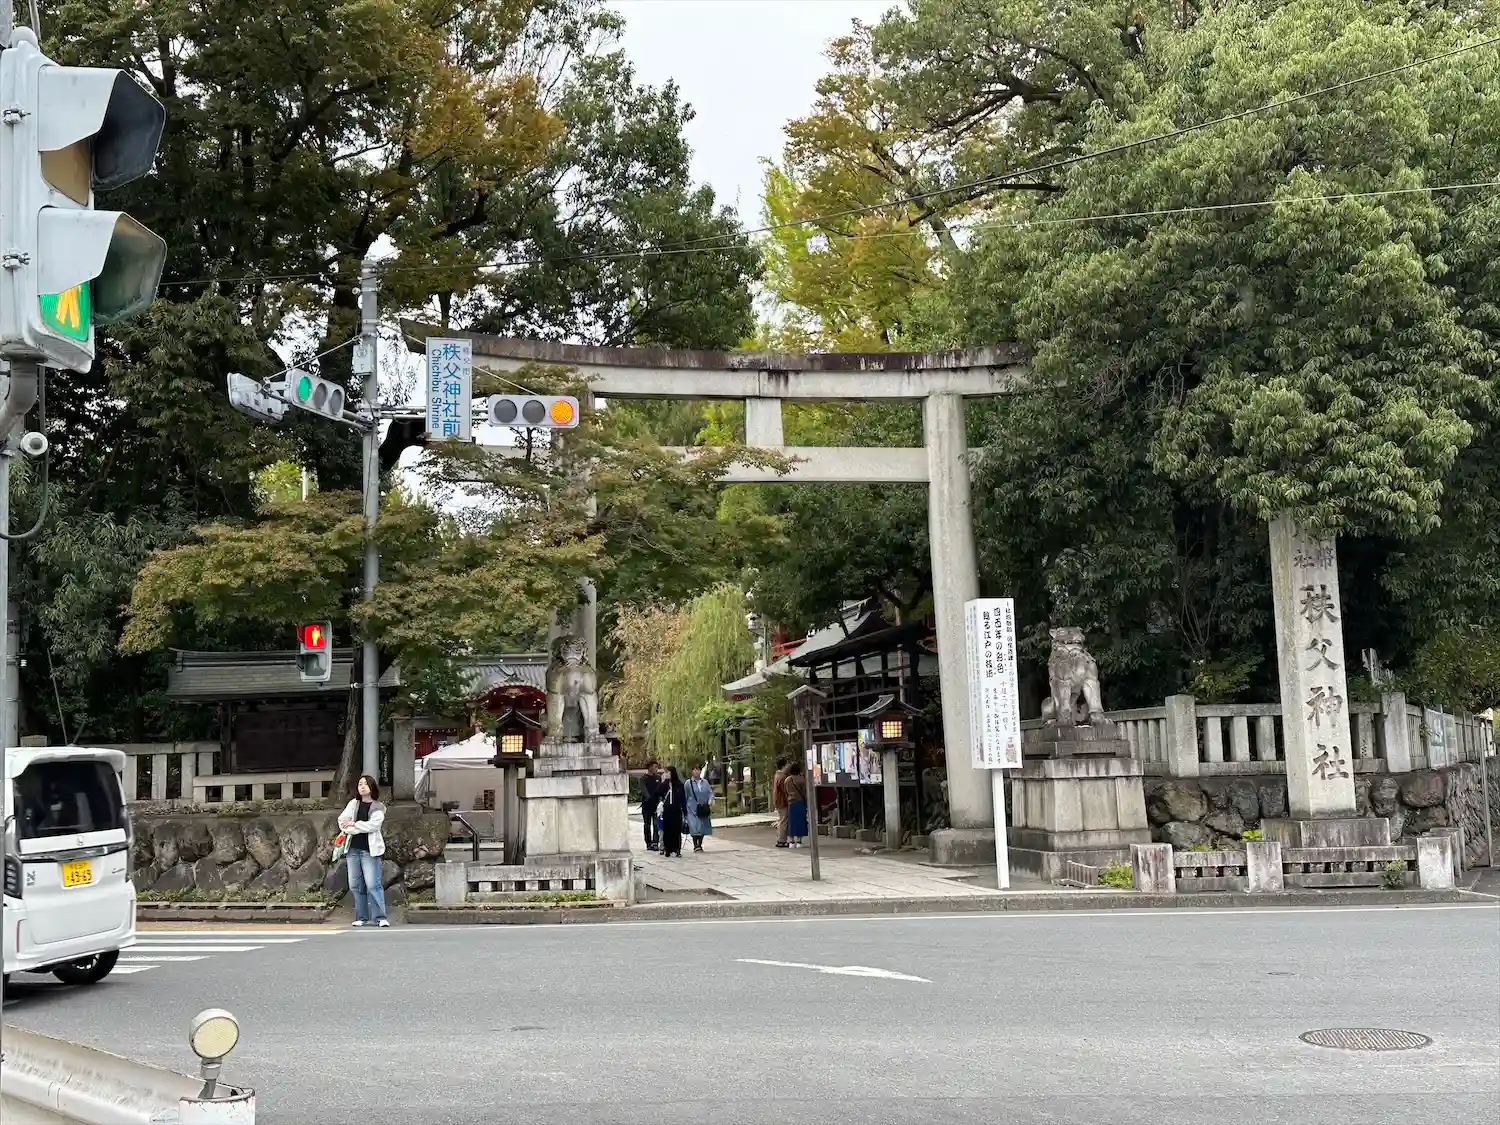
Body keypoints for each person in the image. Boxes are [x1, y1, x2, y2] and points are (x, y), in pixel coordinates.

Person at [339, 775, 389, 928]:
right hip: (352, 849)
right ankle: (361, 917)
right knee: (355, 885)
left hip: (369, 850)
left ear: (372, 787)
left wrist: (354, 825)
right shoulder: (353, 804)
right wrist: (354, 827)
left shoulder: (378, 806)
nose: (362, 786)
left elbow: (373, 826)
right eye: (360, 784)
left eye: (366, 784)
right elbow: (342, 821)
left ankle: (380, 917)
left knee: (373, 885)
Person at [684, 765, 714, 853]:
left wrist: (710, 801)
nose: (696, 772)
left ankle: (700, 844)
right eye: (694, 770)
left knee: (702, 826)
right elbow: (685, 796)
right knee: (694, 826)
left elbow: (710, 793)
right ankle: (695, 845)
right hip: (692, 808)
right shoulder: (688, 783)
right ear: (692, 771)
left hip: (703, 808)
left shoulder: (705, 782)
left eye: (698, 770)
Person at [660, 765, 687, 858]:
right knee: (667, 830)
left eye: (668, 772)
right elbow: (657, 793)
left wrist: (685, 811)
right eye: (666, 772)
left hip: (676, 810)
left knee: (676, 830)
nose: (666, 774)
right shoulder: (664, 784)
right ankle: (667, 849)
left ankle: (677, 849)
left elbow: (683, 799)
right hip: (667, 810)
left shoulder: (679, 785)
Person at [783, 760, 808, 849]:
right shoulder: (802, 779)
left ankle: (791, 841)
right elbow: (805, 792)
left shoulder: (787, 780)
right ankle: (799, 841)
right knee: (801, 821)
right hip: (800, 802)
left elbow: (785, 792)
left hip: (791, 802)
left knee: (792, 822)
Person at [641, 761, 665, 851]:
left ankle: (655, 842)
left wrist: (660, 800)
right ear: (650, 767)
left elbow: (660, 789)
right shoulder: (643, 778)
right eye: (655, 767)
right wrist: (649, 798)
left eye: (657, 767)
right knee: (647, 824)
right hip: (647, 805)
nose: (656, 769)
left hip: (656, 805)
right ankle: (648, 842)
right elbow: (644, 790)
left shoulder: (658, 778)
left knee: (656, 824)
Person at [772, 756, 790, 849]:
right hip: (782, 801)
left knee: (781, 820)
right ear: (783, 765)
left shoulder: (777, 775)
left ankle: (780, 839)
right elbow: (784, 790)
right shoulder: (783, 777)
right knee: (783, 820)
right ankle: (782, 840)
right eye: (787, 764)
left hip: (778, 800)